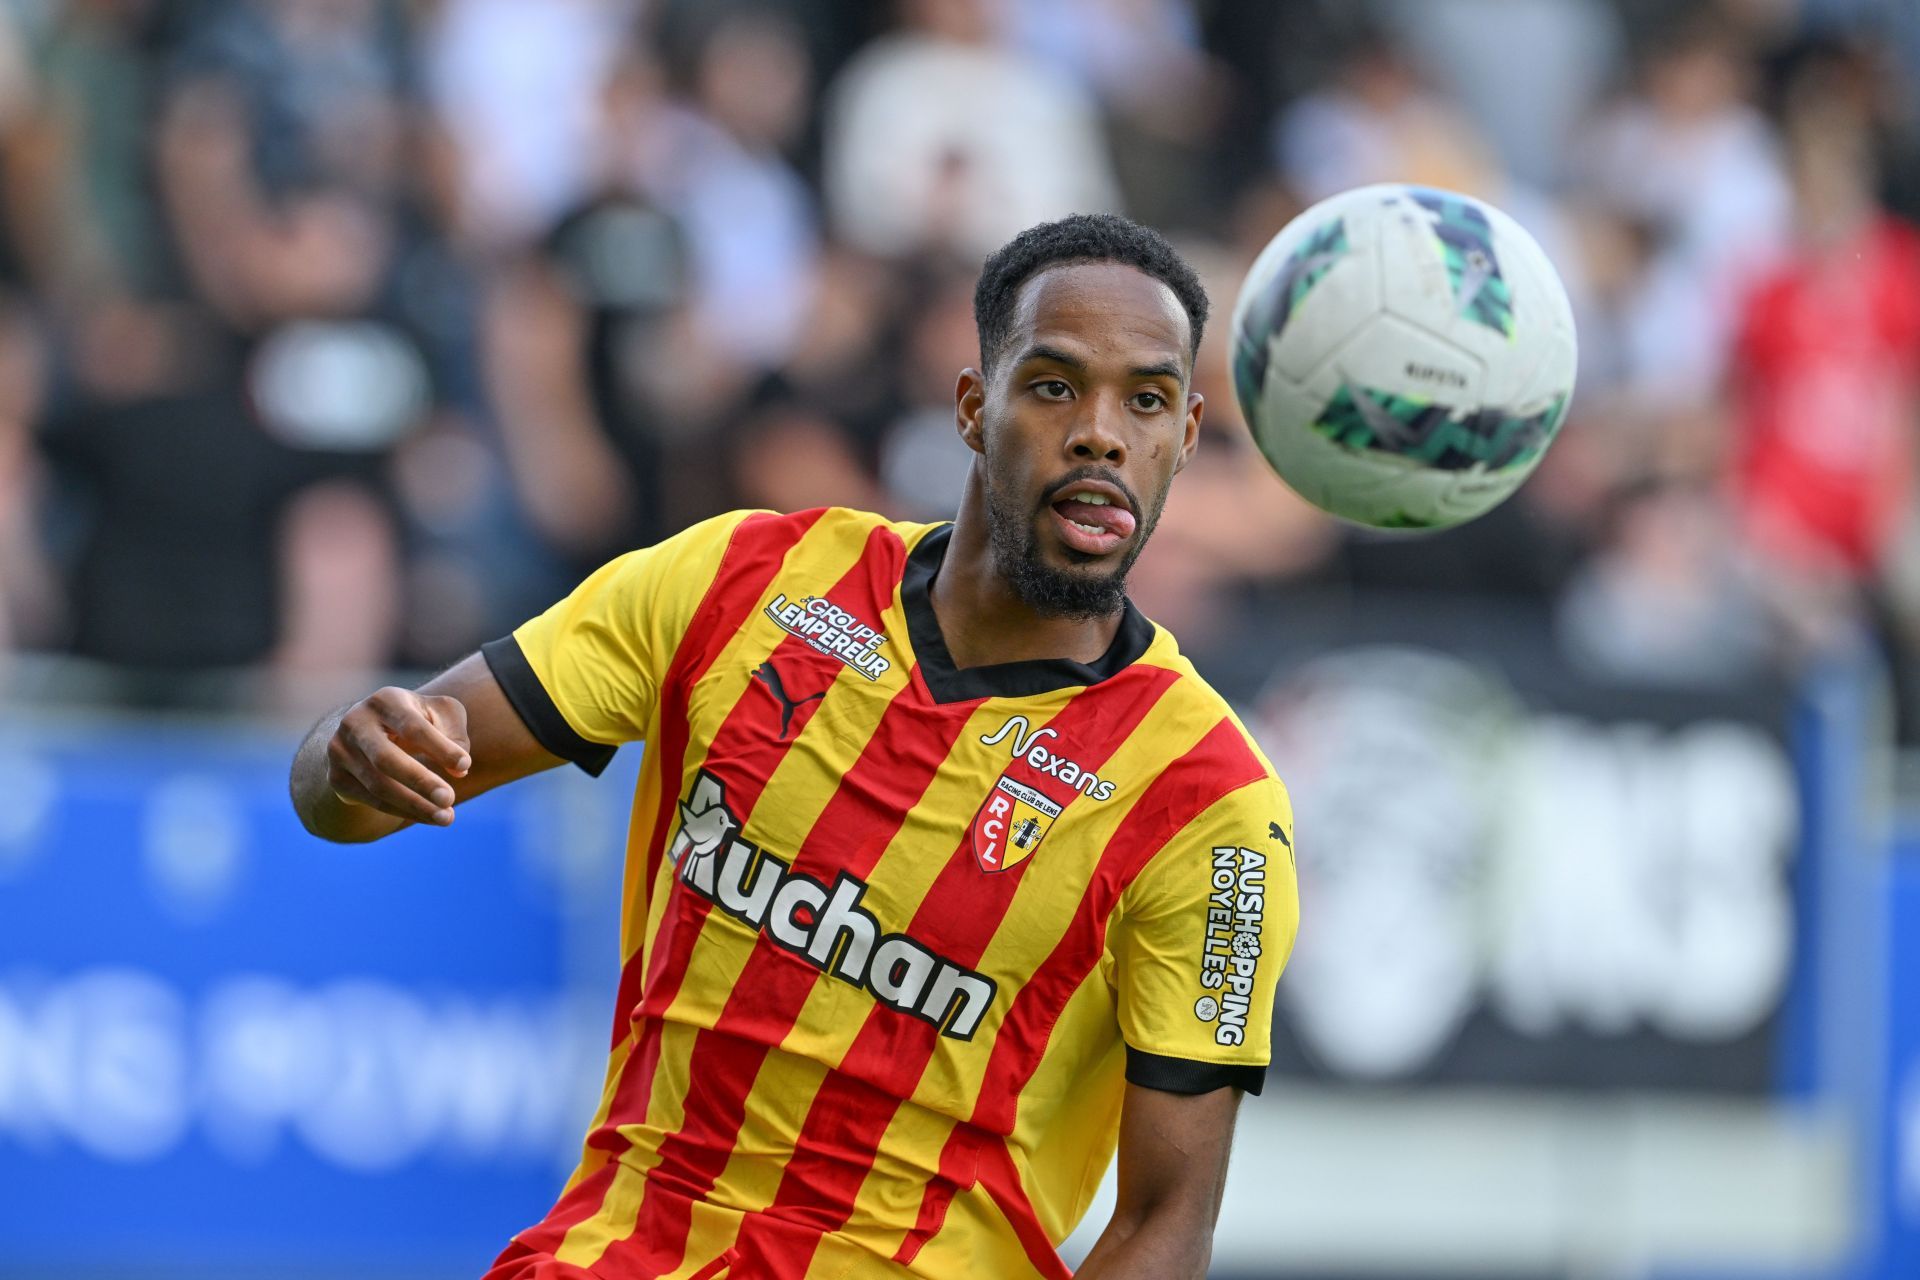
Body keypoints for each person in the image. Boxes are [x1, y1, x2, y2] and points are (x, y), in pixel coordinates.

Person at [290, 213, 1299, 1279]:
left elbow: (1166, 1224)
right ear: (972, 406)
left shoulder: (1209, 804)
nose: (1101, 432)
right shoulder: (739, 581)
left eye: (1144, 400)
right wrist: (349, 754)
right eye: (1053, 385)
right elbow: (347, 793)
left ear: (1186, 436)